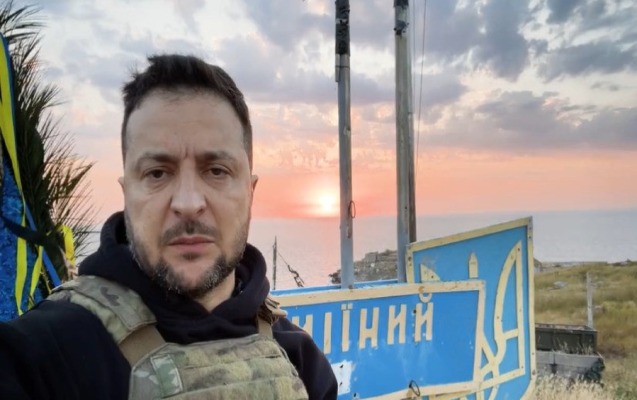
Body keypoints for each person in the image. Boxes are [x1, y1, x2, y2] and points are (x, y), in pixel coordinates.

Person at [0, 54, 338, 400]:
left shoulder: (301, 361)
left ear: (250, 192)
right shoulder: (39, 359)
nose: (188, 203)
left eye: (217, 171)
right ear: (127, 193)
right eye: (158, 173)